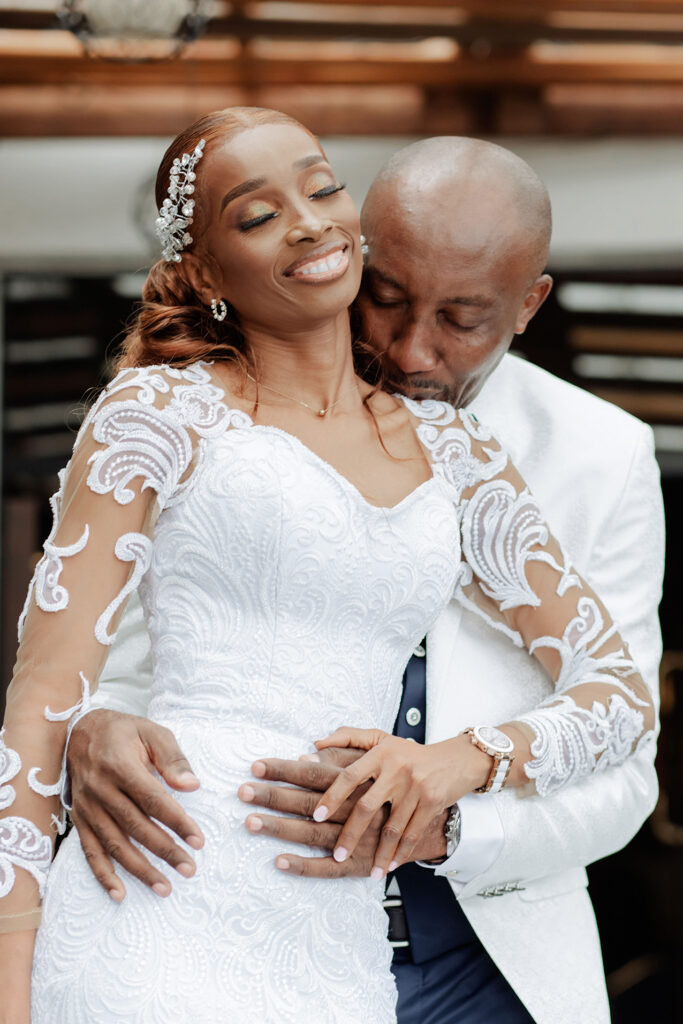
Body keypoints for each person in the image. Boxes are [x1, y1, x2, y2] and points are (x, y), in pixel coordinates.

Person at [0, 110, 657, 1024]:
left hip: (346, 950)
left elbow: (620, 700)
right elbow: (42, 702)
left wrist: (466, 763)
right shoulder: (155, 413)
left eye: (319, 188)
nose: (306, 223)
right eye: (256, 215)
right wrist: (9, 969)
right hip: (151, 907)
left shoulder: (462, 453)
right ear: (203, 271)